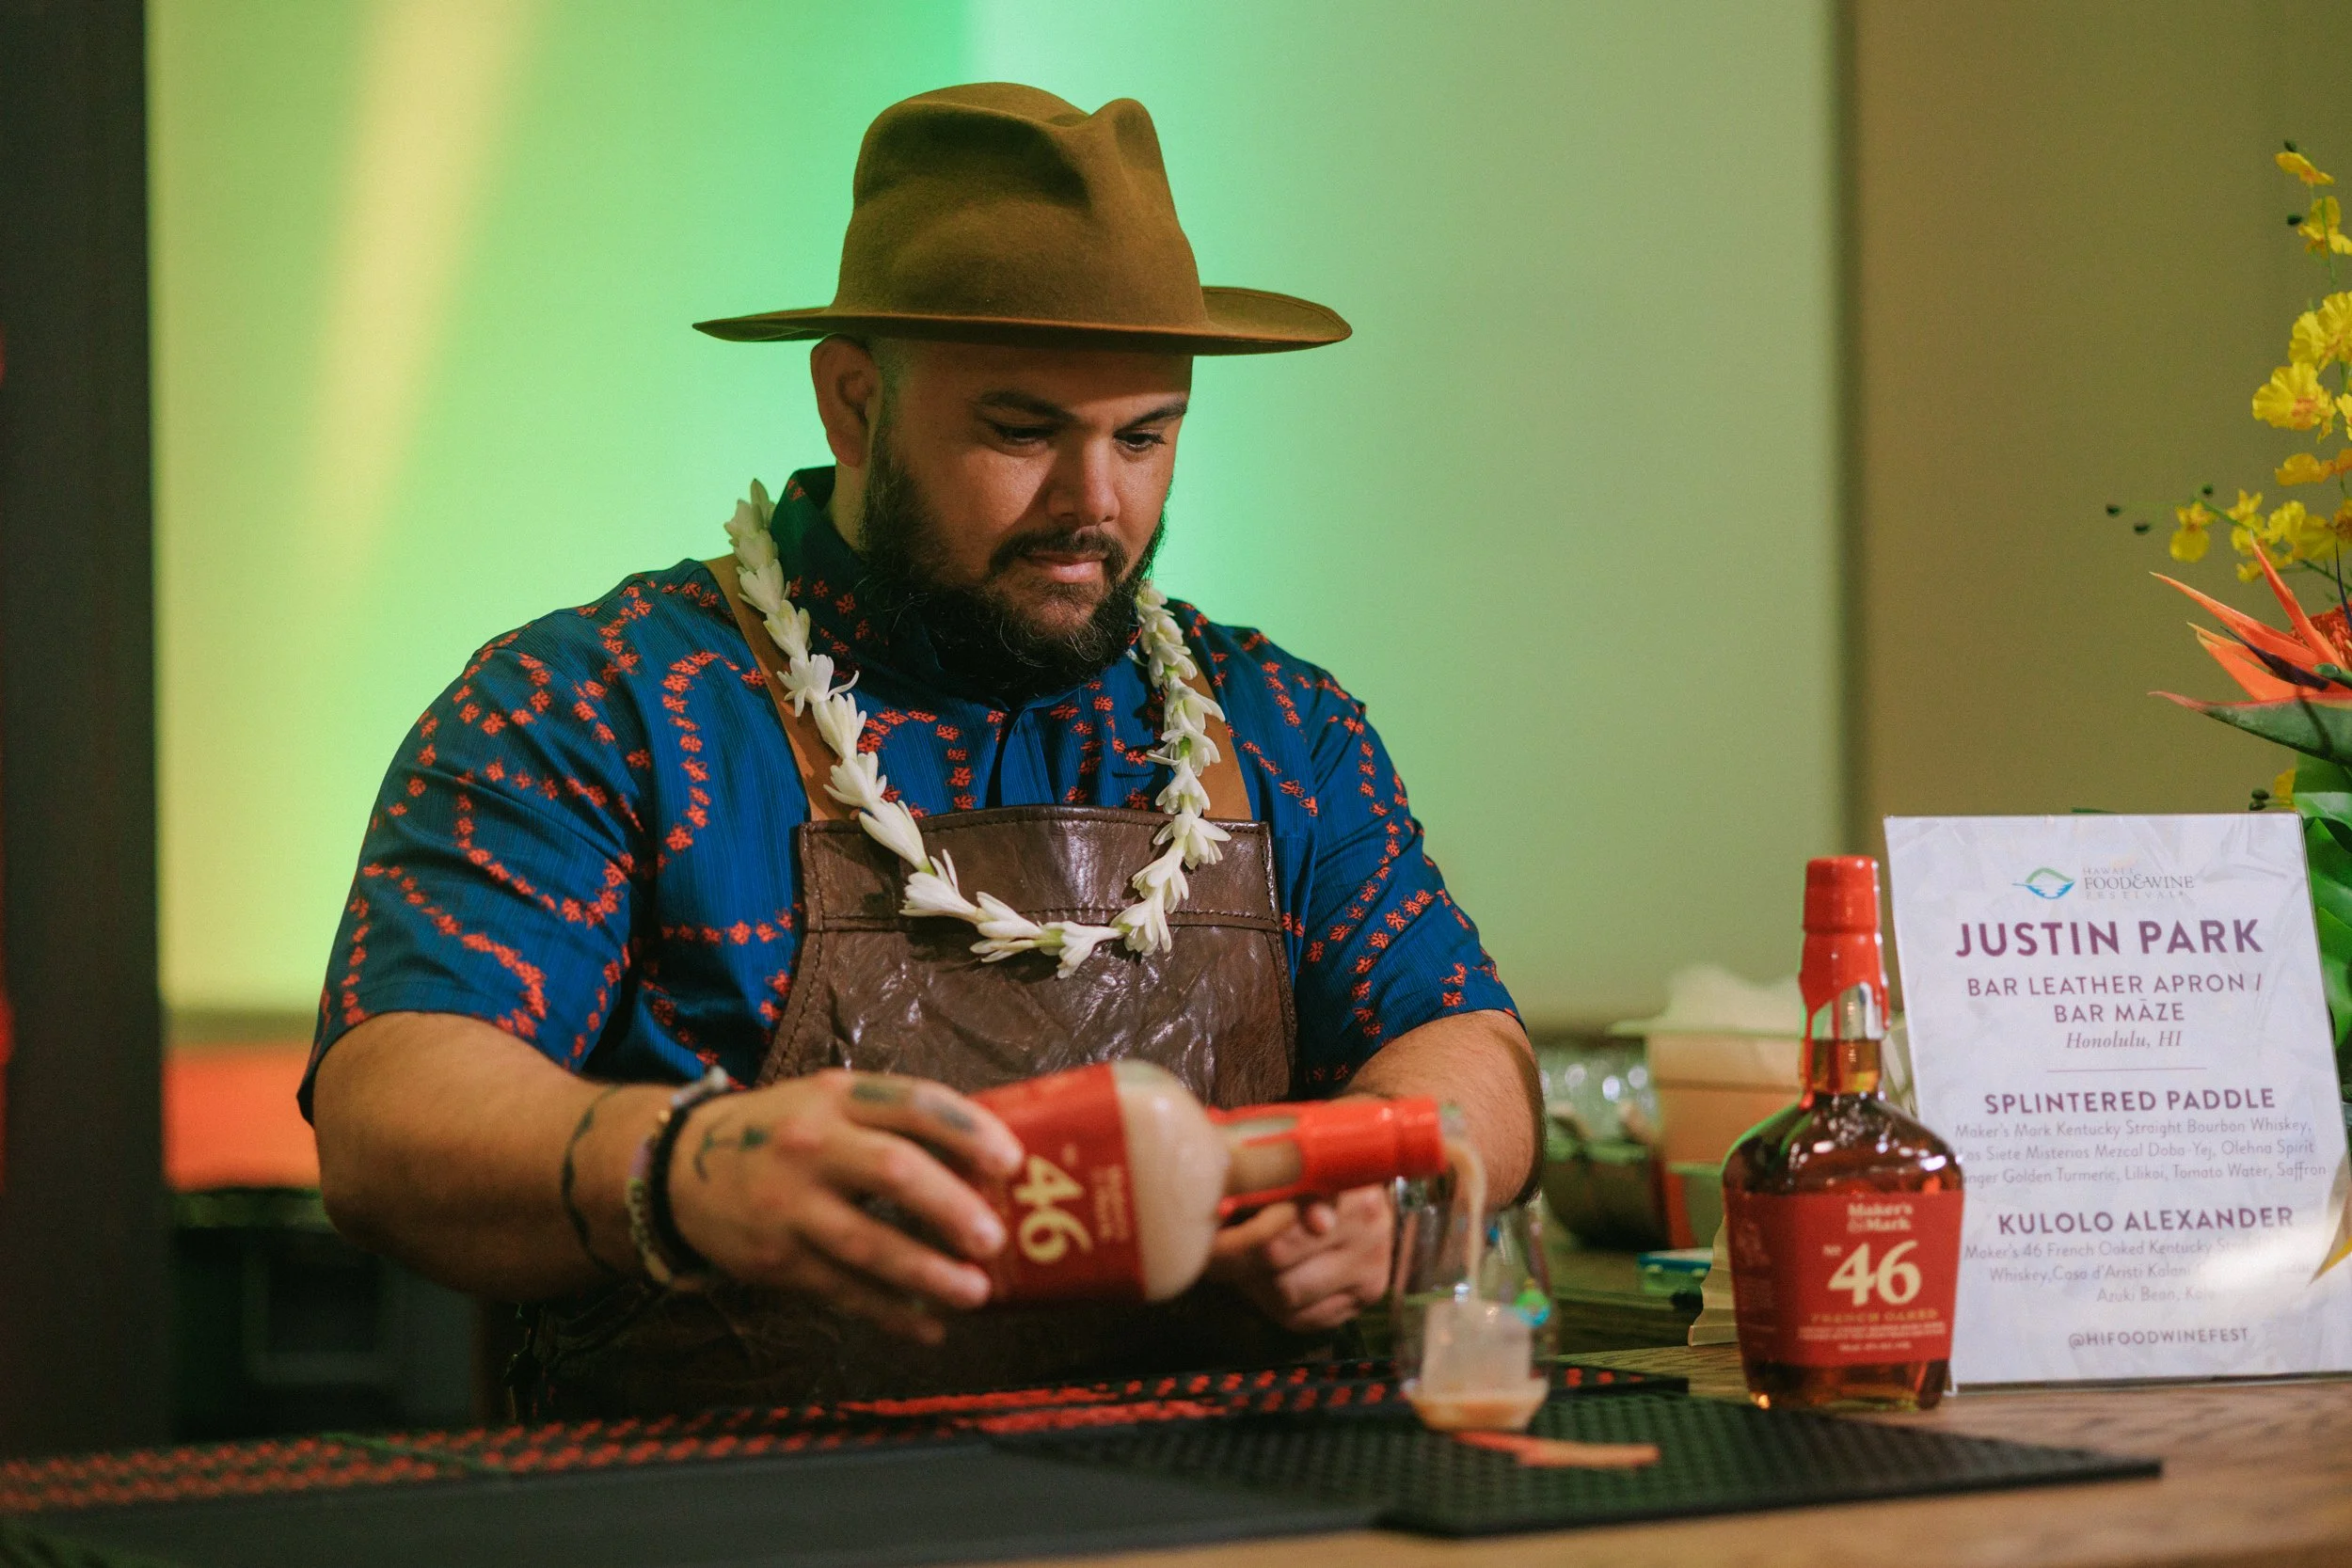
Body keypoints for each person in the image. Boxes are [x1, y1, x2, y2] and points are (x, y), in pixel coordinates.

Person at [307, 82, 1540, 1418]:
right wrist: (682, 1163)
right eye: (1023, 432)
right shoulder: (601, 703)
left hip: (1229, 1515)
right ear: (853, 401)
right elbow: (391, 1113)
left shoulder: (1278, 723)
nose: (1096, 504)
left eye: (1145, 435)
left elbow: (1472, 1045)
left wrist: (1385, 1182)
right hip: (727, 1522)